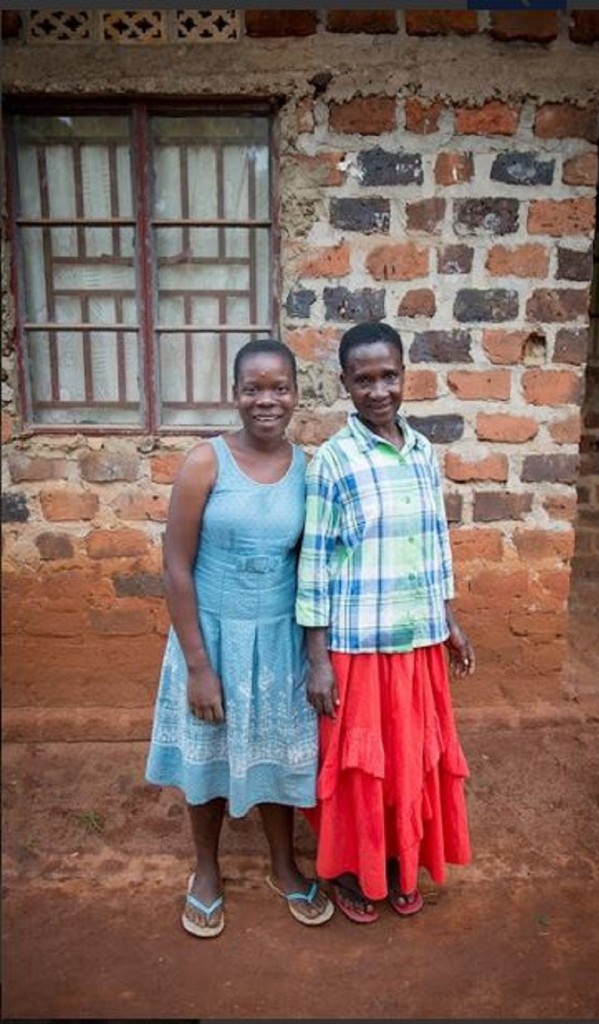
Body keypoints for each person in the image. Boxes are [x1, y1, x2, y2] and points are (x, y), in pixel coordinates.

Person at [146, 338, 334, 937]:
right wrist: (199, 666)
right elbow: (176, 568)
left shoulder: (308, 469)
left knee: (280, 752)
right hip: (213, 640)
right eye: (253, 388)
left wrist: (314, 654)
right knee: (208, 758)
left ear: (297, 394)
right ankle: (206, 870)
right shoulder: (206, 463)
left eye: (279, 387)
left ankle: (284, 864)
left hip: (278, 642)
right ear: (235, 394)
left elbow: (311, 567)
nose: (267, 400)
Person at [296, 321, 474, 923]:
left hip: (418, 640)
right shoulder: (333, 462)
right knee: (360, 770)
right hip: (356, 645)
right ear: (344, 383)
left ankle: (399, 862)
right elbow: (315, 563)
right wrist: (317, 659)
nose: (379, 390)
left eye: (389, 375)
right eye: (364, 378)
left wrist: (448, 618)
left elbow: (435, 543)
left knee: (409, 763)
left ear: (405, 375)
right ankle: (353, 872)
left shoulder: (424, 453)